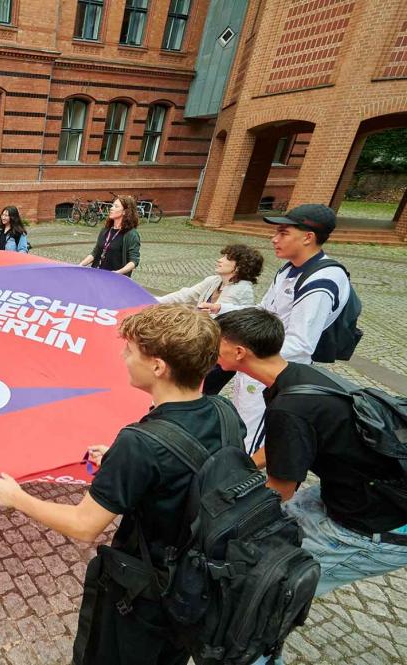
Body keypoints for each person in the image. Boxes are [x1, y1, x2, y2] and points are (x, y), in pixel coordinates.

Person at [0, 304, 231, 665]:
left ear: (158, 367)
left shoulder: (139, 444)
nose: (123, 357)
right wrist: (125, 467)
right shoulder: (223, 412)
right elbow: (190, 476)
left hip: (147, 594)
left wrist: (17, 498)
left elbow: (84, 525)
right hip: (196, 585)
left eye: (131, 351)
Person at [216, 308, 406, 652]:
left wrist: (221, 504)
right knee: (263, 542)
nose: (212, 352)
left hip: (375, 527)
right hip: (349, 492)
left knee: (265, 595)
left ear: (240, 352)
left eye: (217, 345)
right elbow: (281, 448)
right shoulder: (296, 377)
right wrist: (235, 467)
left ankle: (254, 652)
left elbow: (281, 490)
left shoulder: (289, 405)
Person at [199, 204, 352, 450]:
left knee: (252, 439)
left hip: (274, 375)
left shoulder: (322, 281)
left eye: (283, 233)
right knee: (240, 427)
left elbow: (302, 344)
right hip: (254, 368)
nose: (274, 239)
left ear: (308, 237)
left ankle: (241, 483)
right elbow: (265, 311)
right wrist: (223, 310)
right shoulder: (289, 269)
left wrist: (247, 351)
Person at [158, 244, 265, 451]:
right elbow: (185, 294)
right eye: (222, 255)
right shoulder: (214, 281)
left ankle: (192, 437)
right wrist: (152, 301)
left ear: (240, 266)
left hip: (221, 353)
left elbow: (217, 321)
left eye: (227, 258)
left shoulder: (242, 290)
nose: (221, 259)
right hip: (204, 347)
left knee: (202, 390)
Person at [78, 195, 141, 277]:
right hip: (97, 275)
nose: (111, 208)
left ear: (125, 212)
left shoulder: (131, 234)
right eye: (112, 205)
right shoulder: (105, 230)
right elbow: (95, 253)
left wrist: (118, 272)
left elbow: (134, 261)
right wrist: (80, 265)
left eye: (116, 206)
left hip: (116, 280)